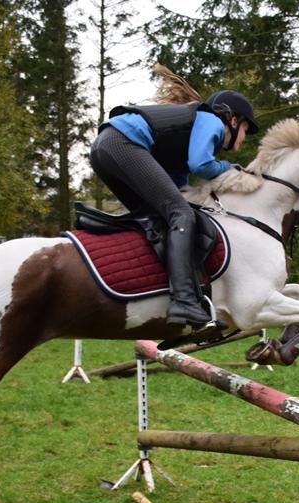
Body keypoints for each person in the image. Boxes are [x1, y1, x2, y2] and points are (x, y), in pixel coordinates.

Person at [89, 68, 260, 330]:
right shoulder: (211, 120)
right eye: (246, 129)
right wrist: (229, 168)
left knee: (165, 217)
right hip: (121, 145)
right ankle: (183, 301)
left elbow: (180, 189)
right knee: (180, 215)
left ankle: (161, 295)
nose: (244, 139)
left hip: (106, 149)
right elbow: (202, 164)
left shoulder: (183, 140)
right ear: (233, 120)